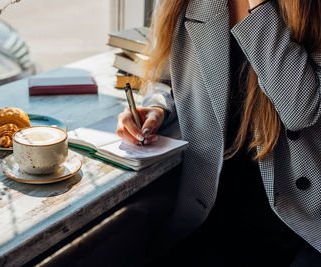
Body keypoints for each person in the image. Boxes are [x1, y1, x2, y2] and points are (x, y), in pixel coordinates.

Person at [116, 0, 321, 266]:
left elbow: (300, 110)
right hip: (213, 210)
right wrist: (158, 108)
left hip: (300, 221)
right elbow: (166, 76)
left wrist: (258, 7)